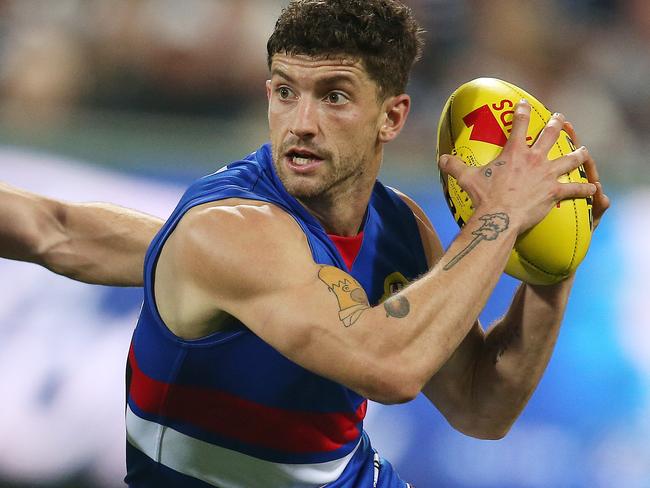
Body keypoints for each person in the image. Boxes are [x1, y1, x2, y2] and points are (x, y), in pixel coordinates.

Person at [0, 0, 610, 487]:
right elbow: (387, 365)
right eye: (285, 90)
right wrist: (500, 216)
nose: (301, 121)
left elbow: (482, 407)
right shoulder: (230, 232)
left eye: (335, 96)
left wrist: (554, 252)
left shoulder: (399, 228)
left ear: (392, 118)